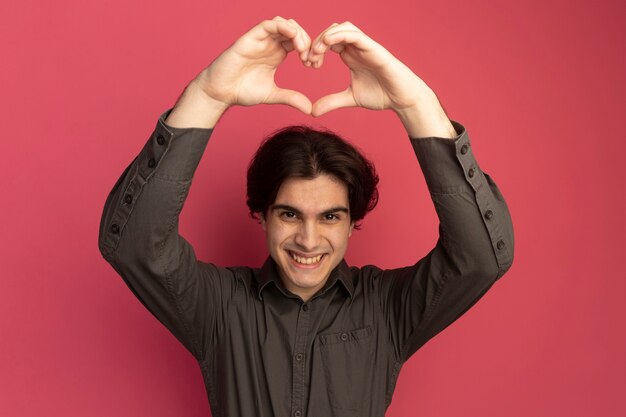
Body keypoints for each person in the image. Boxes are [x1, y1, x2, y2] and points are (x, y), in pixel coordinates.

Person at [98, 17, 514, 417]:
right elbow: (134, 245)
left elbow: (480, 259)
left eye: (330, 216)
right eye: (290, 214)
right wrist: (207, 96)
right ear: (261, 215)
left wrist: (416, 105)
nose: (309, 240)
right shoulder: (220, 308)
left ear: (353, 222)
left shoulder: (387, 309)